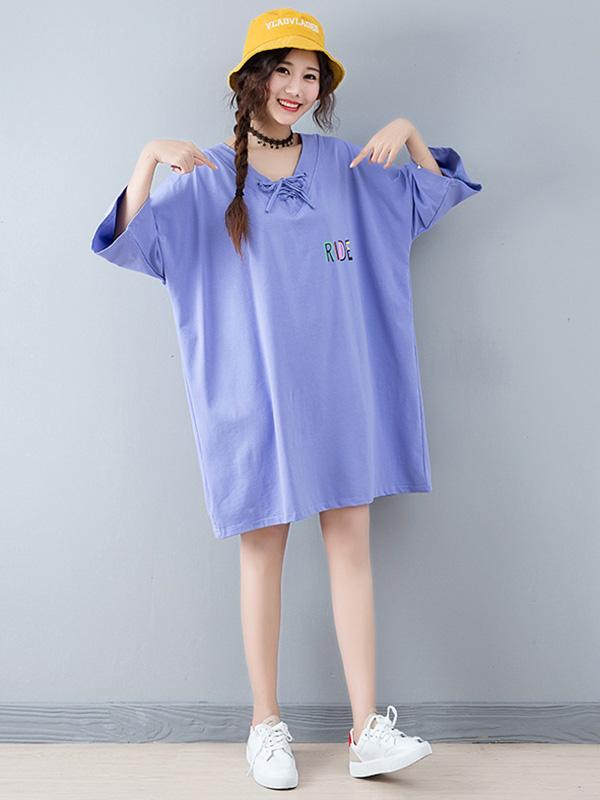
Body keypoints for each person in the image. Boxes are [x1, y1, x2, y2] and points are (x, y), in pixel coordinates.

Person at [90, 6, 483, 790]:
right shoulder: (206, 175)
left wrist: (408, 132)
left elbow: (433, 196)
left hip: (341, 389)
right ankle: (264, 724)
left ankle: (366, 729)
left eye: (310, 75)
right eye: (283, 71)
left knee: (350, 544)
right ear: (252, 80)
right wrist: (147, 159)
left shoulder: (348, 165)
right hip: (253, 396)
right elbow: (132, 242)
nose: (297, 88)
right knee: (262, 550)